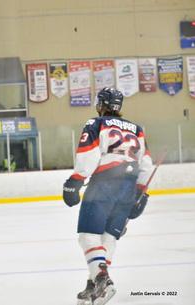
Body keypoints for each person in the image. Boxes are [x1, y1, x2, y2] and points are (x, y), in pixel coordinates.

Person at [62, 87, 153, 305]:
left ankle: (103, 280)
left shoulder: (96, 123)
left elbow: (89, 154)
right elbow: (146, 164)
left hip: (104, 183)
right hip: (128, 187)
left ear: (101, 104)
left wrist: (76, 180)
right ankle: (95, 284)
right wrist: (141, 192)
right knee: (108, 237)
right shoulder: (137, 129)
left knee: (87, 235)